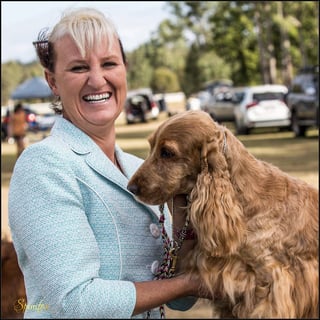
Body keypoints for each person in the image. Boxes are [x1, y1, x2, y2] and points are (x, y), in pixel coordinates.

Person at [8, 7, 208, 319]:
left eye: (109, 63)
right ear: (53, 81)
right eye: (78, 68)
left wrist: (184, 218)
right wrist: (189, 283)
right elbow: (75, 301)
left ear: (125, 70)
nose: (97, 79)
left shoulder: (137, 167)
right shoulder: (43, 166)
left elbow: (180, 302)